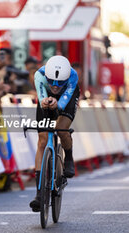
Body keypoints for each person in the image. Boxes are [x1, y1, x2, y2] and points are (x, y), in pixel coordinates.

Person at [30, 55, 80, 212]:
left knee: (62, 129)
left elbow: (63, 103)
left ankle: (69, 158)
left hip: (67, 97)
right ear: (46, 76)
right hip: (45, 94)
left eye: (60, 83)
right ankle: (39, 193)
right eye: (52, 81)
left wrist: (58, 104)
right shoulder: (39, 75)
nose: (56, 86)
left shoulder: (73, 76)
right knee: (42, 140)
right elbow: (42, 98)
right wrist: (45, 101)